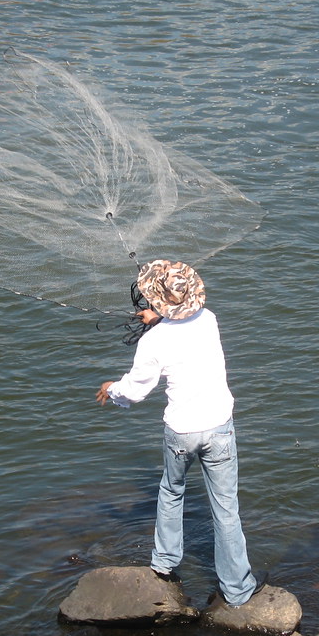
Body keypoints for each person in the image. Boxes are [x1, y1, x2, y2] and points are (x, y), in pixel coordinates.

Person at [95, 259, 260, 608]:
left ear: (157, 302)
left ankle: (164, 564)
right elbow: (184, 324)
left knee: (172, 492)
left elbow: (137, 390)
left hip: (181, 432)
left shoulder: (154, 342)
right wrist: (161, 316)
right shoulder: (210, 320)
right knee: (226, 509)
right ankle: (238, 591)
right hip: (219, 427)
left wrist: (112, 389)